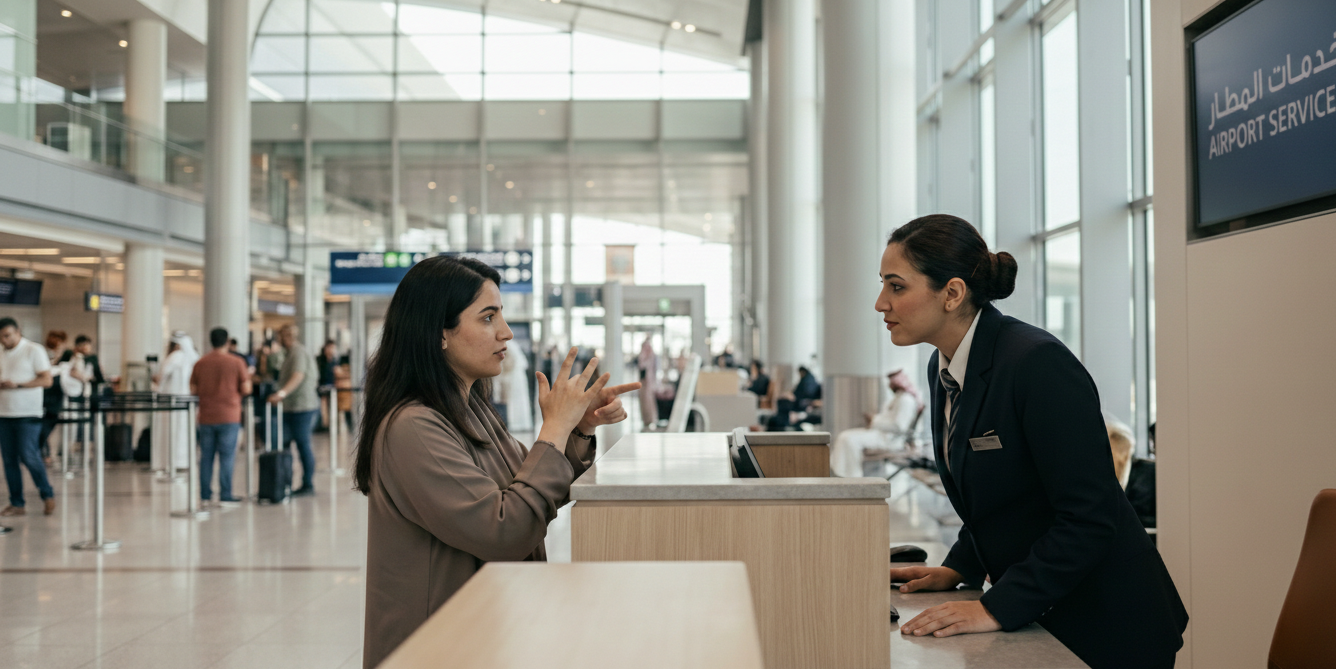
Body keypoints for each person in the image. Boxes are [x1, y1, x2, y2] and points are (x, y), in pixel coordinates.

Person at [881, 215, 1186, 669]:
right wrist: (959, 566)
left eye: (896, 286)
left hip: (1106, 622)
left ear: (952, 293)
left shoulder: (1035, 363)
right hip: (1044, 613)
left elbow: (1090, 516)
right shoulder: (942, 367)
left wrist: (993, 607)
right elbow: (1001, 496)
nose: (880, 303)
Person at [355, 256, 639, 669]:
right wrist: (555, 429)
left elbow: (528, 489)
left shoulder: (470, 407)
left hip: (483, 629)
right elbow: (506, 529)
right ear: (439, 334)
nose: (505, 333)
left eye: (501, 315)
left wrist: (578, 428)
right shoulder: (413, 426)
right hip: (438, 646)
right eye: (488, 318)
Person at [0, 318, 56, 516]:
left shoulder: (34, 350)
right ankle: (17, 503)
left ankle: (47, 494)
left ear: (18, 332)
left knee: (29, 455)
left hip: (28, 414)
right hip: (4, 414)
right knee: (8, 460)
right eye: (1, 337)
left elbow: (47, 379)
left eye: (7, 335)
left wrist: (19, 385)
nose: (4, 340)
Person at [191, 327, 252, 506]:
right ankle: (225, 494)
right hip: (229, 415)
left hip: (206, 416)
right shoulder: (237, 362)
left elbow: (193, 389)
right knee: (227, 457)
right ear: (227, 342)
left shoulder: (200, 363)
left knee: (206, 457)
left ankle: (205, 495)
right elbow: (246, 388)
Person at [829, 369, 923, 478]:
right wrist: (873, 419)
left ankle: (853, 477)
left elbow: (899, 426)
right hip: (880, 433)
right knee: (844, 436)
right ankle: (844, 475)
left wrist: (874, 421)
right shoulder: (898, 398)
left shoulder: (906, 400)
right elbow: (888, 417)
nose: (889, 385)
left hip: (891, 440)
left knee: (849, 439)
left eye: (891, 382)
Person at [267, 325, 320, 496]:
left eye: (280, 336)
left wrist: (281, 394)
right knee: (286, 444)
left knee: (303, 443)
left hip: (301, 407)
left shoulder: (298, 352)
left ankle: (307, 484)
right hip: (291, 406)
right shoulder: (288, 352)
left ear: (286, 336)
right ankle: (285, 481)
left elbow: (298, 375)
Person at [155, 332, 200, 470]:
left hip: (171, 400)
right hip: (187, 400)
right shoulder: (194, 358)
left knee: (171, 431)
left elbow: (160, 377)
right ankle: (183, 461)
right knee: (184, 432)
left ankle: (169, 461)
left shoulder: (175, 357)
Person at [637, 337, 659, 427]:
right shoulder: (642, 356)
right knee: (643, 401)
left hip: (650, 383)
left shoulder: (652, 357)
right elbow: (641, 367)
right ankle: (645, 419)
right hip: (643, 382)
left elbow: (655, 370)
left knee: (650, 401)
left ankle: (652, 419)